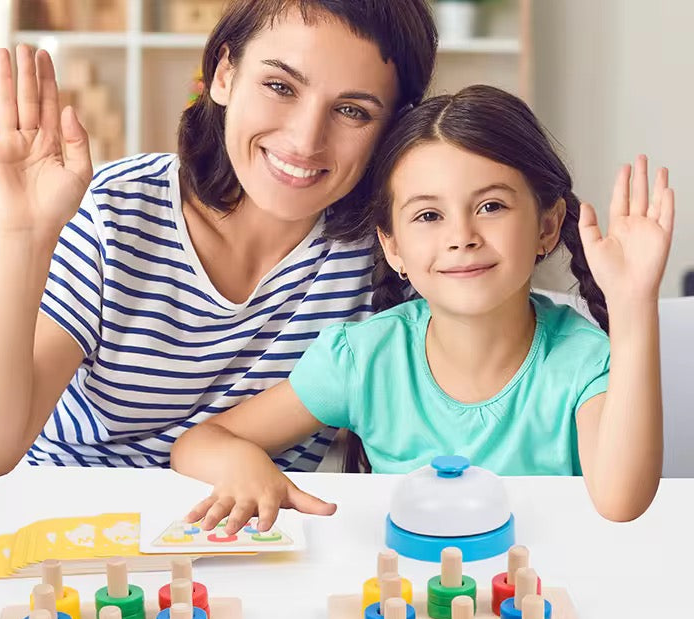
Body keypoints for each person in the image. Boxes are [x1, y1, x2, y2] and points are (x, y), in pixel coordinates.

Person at [0, 0, 438, 481]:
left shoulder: (387, 254)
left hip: (237, 543)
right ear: (224, 75)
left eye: (352, 110)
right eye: (279, 86)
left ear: (392, 126)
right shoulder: (119, 209)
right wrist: (21, 232)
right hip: (53, 519)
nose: (306, 139)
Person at [171, 85, 675, 528]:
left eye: (491, 206)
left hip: (537, 610)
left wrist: (633, 305)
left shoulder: (581, 361)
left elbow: (621, 500)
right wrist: (251, 469)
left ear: (546, 226)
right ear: (393, 247)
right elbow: (199, 443)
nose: (462, 237)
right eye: (429, 215)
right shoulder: (366, 358)